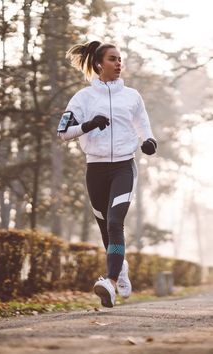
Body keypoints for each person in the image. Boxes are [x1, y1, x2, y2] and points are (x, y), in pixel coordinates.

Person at [57, 41, 157, 308]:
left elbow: (144, 127)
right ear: (99, 64)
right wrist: (89, 124)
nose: (118, 63)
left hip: (124, 167)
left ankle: (110, 282)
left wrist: (149, 141)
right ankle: (121, 266)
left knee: (115, 222)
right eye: (113, 59)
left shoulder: (132, 96)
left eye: (120, 59)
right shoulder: (82, 98)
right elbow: (63, 132)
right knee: (105, 229)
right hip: (96, 169)